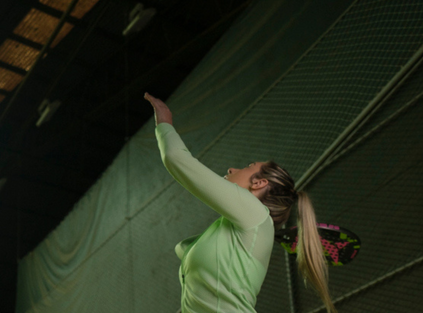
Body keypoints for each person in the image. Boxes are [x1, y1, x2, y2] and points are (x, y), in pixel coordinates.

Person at [144, 93, 336, 313]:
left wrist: (165, 123)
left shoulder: (255, 213)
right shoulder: (236, 229)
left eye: (248, 166)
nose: (232, 170)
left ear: (260, 183)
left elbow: (176, 158)